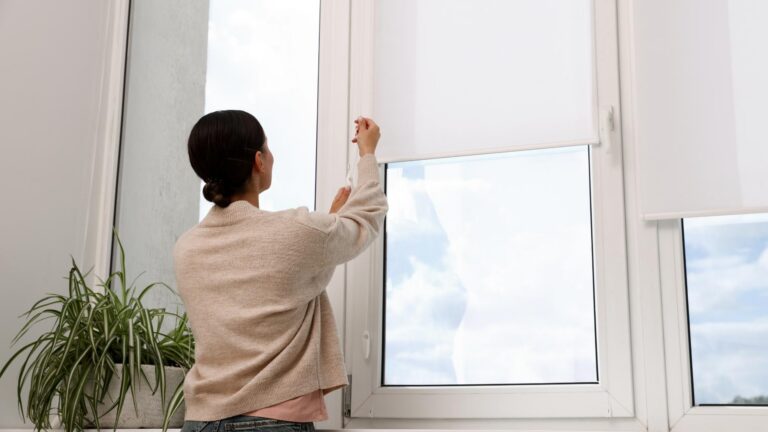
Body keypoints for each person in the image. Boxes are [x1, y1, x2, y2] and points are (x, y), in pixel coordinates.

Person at [174, 110, 388, 432]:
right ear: (259, 161)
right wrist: (368, 155)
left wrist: (329, 222)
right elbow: (366, 219)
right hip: (271, 421)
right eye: (268, 148)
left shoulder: (186, 249)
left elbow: (290, 286)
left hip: (201, 422)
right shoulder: (294, 231)